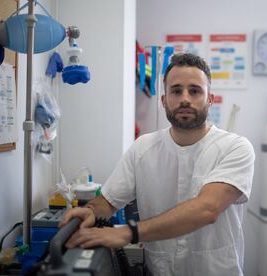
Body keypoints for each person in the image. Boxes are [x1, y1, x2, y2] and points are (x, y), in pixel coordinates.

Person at [60, 53, 255, 276]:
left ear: (210, 99)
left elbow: (207, 209)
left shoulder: (235, 148)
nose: (185, 98)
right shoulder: (143, 149)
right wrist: (90, 211)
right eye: (176, 90)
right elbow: (108, 201)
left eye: (195, 90)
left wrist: (127, 233)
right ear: (164, 101)